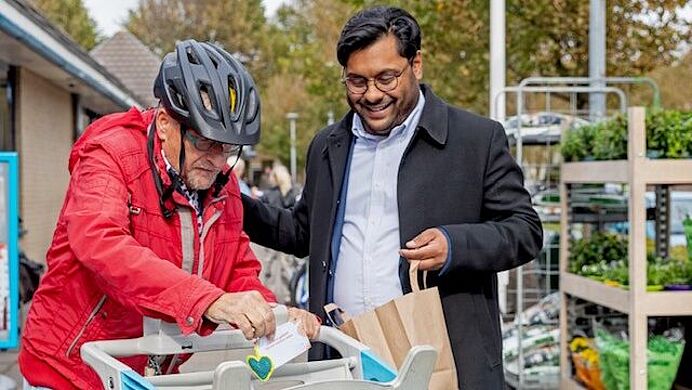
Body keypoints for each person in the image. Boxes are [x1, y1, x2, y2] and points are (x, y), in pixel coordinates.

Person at [242, 6, 543, 388]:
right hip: (342, 357)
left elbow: (525, 231)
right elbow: (304, 233)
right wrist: (232, 203)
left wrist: (455, 246)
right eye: (356, 82)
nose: (371, 95)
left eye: (386, 78)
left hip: (444, 357)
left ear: (416, 64)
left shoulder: (475, 140)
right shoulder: (327, 146)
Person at [18, 39, 319, 390]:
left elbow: (235, 268)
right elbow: (100, 241)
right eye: (205, 142)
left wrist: (275, 316)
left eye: (229, 148)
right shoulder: (110, 155)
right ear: (164, 123)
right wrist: (208, 299)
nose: (218, 160)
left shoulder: (221, 181)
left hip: (146, 374)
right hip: (72, 372)